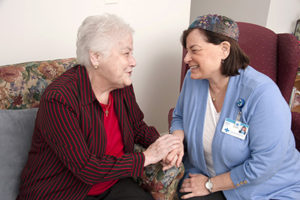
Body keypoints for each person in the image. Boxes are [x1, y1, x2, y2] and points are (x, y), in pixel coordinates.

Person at [17, 14, 181, 200]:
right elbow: (86, 168)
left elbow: (137, 127)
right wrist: (146, 157)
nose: (133, 61)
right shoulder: (59, 99)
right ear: (95, 57)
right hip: (63, 192)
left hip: (113, 185)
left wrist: (166, 146)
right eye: (126, 53)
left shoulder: (121, 86)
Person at [168, 14, 300, 199]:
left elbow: (264, 165)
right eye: (186, 51)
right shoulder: (193, 80)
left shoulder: (262, 94)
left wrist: (210, 184)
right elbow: (179, 117)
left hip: (265, 188)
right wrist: (176, 142)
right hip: (205, 173)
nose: (186, 58)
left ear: (224, 49)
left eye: (194, 50)